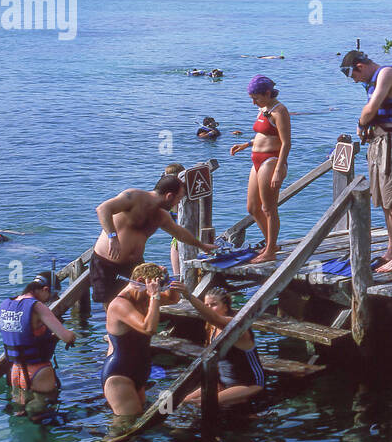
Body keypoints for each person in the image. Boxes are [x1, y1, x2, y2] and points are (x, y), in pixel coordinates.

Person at [91, 175, 214, 308]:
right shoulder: (134, 197)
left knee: (139, 302)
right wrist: (112, 237)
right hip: (107, 262)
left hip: (134, 266)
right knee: (112, 306)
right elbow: (103, 209)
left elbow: (179, 233)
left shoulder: (161, 216)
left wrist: (202, 245)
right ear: (169, 196)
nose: (177, 204)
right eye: (178, 199)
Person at [340, 49, 392, 273]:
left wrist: (361, 123)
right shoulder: (372, 80)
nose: (355, 80)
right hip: (378, 142)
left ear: (359, 67)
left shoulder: (387, 73)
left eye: (354, 76)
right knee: (383, 201)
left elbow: (371, 109)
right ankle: (391, 250)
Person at [99, 262, 182, 417]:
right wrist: (155, 297)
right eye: (150, 289)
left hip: (140, 370)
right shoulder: (119, 304)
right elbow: (148, 328)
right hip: (119, 374)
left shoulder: (144, 298)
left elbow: (173, 299)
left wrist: (167, 278)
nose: (150, 295)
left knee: (142, 425)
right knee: (127, 424)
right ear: (139, 281)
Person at [228, 76, 290, 263]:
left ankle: (270, 250)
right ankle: (272, 243)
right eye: (252, 98)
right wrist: (246, 144)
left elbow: (286, 142)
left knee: (268, 208)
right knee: (253, 207)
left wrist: (279, 169)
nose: (254, 102)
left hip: (271, 161)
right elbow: (263, 135)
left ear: (268, 93)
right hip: (256, 159)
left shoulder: (280, 111)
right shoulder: (263, 109)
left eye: (256, 98)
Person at [0, 272, 76, 415]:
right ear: (45, 290)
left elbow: (24, 334)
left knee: (21, 414)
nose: (49, 301)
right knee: (44, 416)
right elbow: (66, 337)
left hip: (15, 371)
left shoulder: (6, 304)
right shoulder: (37, 307)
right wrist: (72, 335)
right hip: (39, 372)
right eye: (52, 296)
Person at [180, 288, 268, 409]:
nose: (209, 308)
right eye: (207, 305)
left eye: (214, 305)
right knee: (184, 401)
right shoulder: (212, 328)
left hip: (250, 385)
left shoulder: (236, 326)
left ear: (226, 307)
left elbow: (214, 318)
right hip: (222, 382)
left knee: (202, 404)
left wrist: (189, 296)